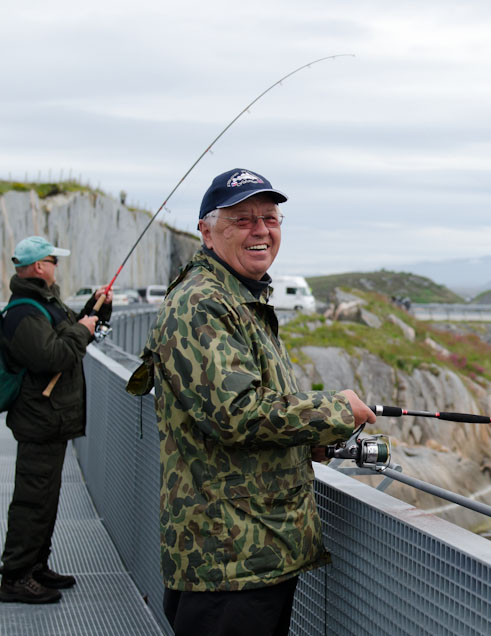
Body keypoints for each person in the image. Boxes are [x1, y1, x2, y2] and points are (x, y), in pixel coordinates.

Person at [126, 168, 375, 635]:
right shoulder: (202, 304)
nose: (261, 230)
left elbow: (246, 409)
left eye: (270, 217)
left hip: (254, 546)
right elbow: (235, 414)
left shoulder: (239, 297)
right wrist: (336, 411)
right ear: (207, 230)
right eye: (242, 220)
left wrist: (304, 444)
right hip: (228, 558)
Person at [0, 236, 112, 604]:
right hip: (38, 421)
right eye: (53, 261)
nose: (56, 266)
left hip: (51, 420)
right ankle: (14, 577)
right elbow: (53, 356)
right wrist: (83, 328)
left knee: (46, 498)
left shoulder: (44, 305)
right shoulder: (22, 312)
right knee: (33, 501)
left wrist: (95, 311)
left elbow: (69, 335)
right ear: (38, 268)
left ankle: (35, 567)